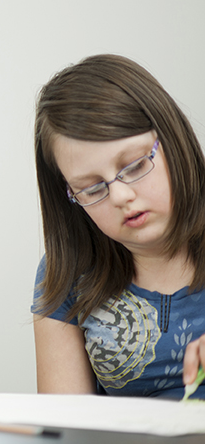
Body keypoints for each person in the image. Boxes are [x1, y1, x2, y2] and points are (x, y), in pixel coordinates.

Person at [32, 54, 205, 398]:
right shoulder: (69, 270)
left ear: (171, 139)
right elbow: (68, 426)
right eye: (92, 189)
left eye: (137, 165)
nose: (121, 195)